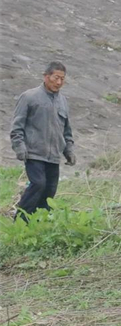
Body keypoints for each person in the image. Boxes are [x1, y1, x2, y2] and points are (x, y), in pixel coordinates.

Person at [10, 62, 76, 221]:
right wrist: (19, 147)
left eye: (62, 79)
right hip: (34, 153)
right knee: (38, 184)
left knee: (49, 191)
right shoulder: (29, 97)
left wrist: (69, 150)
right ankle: (20, 221)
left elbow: (66, 130)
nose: (59, 82)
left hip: (54, 156)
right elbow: (17, 126)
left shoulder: (63, 101)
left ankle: (37, 223)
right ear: (46, 77)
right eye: (56, 78)